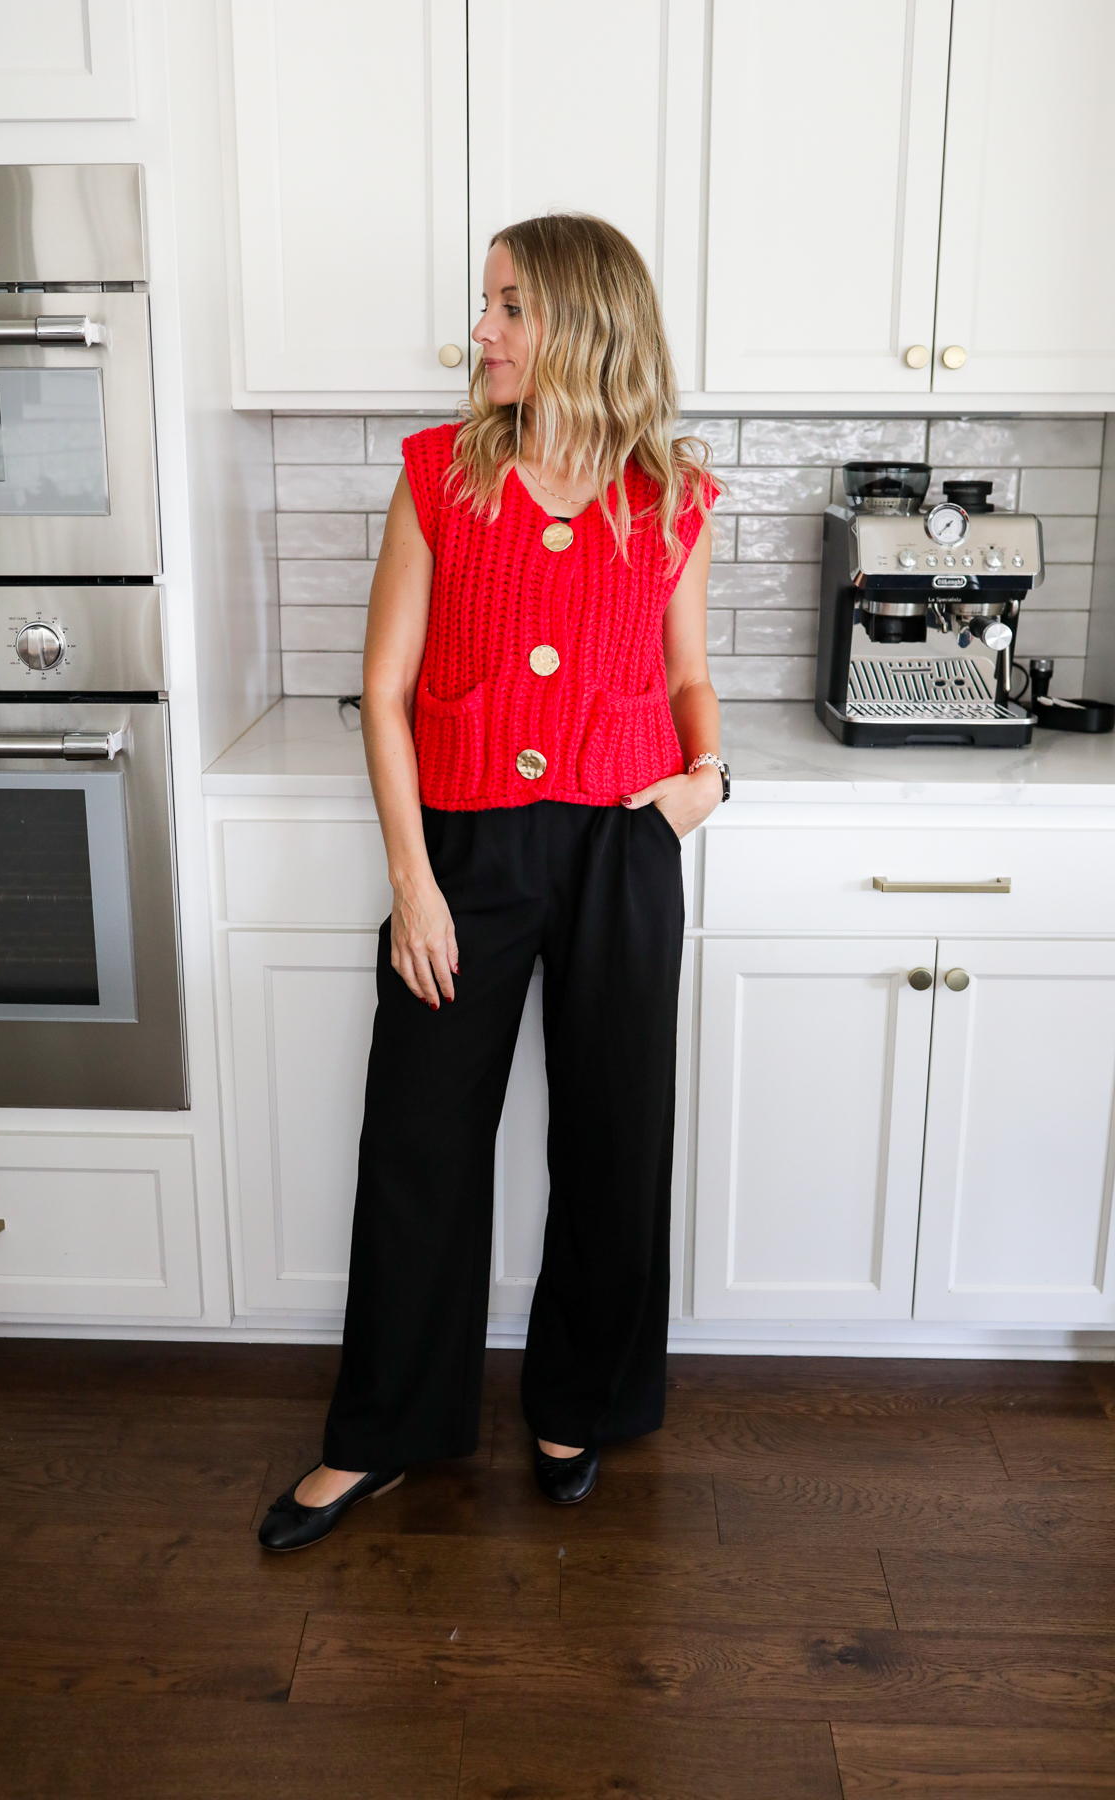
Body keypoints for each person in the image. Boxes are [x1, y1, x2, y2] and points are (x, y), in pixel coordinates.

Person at [259, 213, 728, 1552]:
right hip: (465, 856)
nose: (484, 330)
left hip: (622, 846)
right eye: (489, 305)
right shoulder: (441, 476)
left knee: (612, 1140)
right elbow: (382, 689)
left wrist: (706, 778)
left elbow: (688, 670)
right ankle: (384, 1433)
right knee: (417, 1145)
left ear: (580, 322)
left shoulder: (671, 497)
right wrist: (414, 885)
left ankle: (577, 1403)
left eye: (508, 306)